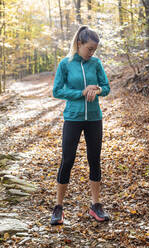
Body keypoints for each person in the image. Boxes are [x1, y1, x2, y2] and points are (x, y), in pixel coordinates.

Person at [51, 25, 110, 225]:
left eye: (94, 50)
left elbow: (107, 87)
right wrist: (81, 93)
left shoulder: (96, 63)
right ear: (79, 44)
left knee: (94, 160)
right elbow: (57, 91)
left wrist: (99, 90)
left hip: (94, 118)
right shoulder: (65, 64)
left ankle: (96, 206)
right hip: (73, 118)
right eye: (89, 49)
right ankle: (58, 207)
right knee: (67, 160)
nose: (92, 53)